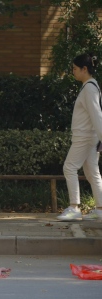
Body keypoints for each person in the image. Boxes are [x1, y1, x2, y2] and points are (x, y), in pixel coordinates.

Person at [57, 53, 102, 221]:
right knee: (92, 173)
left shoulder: (89, 88)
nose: (73, 72)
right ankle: (100, 209)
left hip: (84, 136)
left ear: (85, 69)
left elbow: (96, 115)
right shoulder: (91, 86)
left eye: (75, 69)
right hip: (89, 136)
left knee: (69, 167)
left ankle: (74, 207)